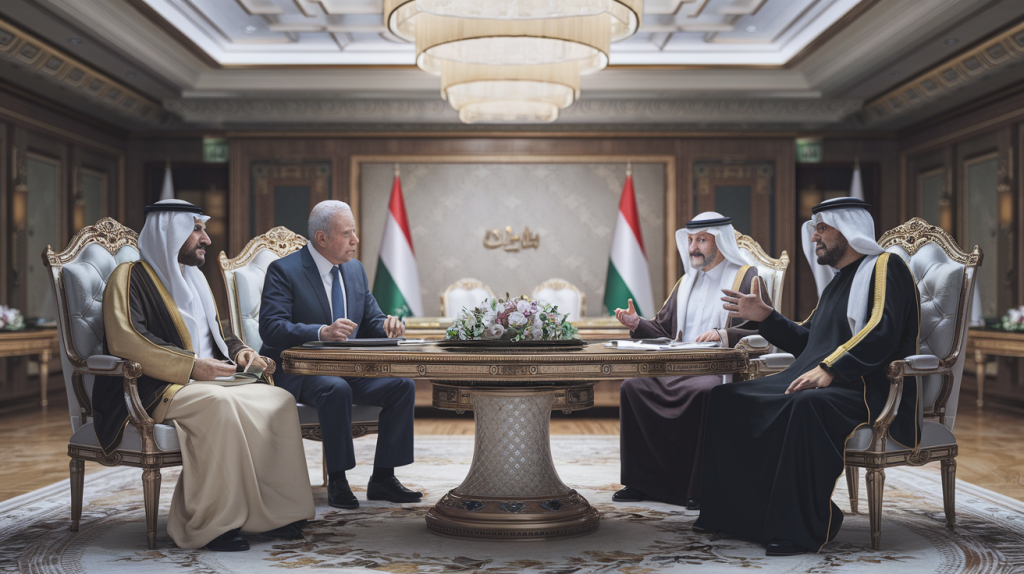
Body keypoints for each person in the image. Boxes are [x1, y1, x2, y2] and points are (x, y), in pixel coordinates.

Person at [694, 197, 921, 556]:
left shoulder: (886, 267)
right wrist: (767, 317)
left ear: (848, 229)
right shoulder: (838, 282)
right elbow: (809, 341)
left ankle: (797, 529)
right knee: (727, 398)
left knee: (805, 407)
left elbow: (883, 332)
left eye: (822, 228)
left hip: (867, 388)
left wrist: (832, 367)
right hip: (828, 379)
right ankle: (733, 515)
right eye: (814, 229)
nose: (814, 236)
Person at [98, 199, 314, 552]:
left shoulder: (195, 278)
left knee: (278, 399)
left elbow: (216, 332)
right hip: (156, 388)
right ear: (170, 233)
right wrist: (192, 367)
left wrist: (240, 351)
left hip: (206, 381)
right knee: (218, 404)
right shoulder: (129, 277)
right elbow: (128, 340)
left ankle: (278, 513)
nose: (206, 239)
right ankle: (213, 523)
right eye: (197, 230)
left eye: (203, 230)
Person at [260, 200, 420, 510]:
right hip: (302, 371)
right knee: (336, 388)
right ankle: (338, 479)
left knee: (402, 386)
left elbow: (371, 320)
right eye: (347, 234)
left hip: (349, 367)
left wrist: (389, 326)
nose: (355, 240)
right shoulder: (284, 271)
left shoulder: (355, 269)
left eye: (354, 232)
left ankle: (383, 478)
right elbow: (271, 328)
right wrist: (321, 332)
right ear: (322, 238)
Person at [612, 212, 771, 509]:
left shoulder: (746, 278)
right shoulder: (686, 282)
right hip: (678, 367)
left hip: (719, 370)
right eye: (690, 240)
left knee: (704, 393)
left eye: (701, 240)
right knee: (633, 387)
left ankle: (698, 487)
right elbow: (664, 330)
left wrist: (723, 334)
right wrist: (637, 323)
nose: (693, 248)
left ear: (720, 242)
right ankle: (641, 481)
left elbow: (764, 328)